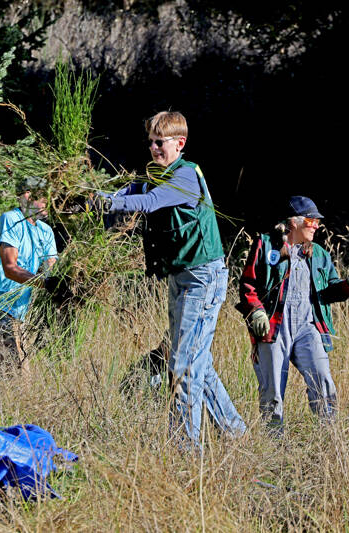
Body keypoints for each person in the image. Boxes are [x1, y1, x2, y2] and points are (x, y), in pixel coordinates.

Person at [91, 110, 246, 447]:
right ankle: (236, 434)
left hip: (201, 278)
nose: (153, 148)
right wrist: (95, 196)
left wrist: (106, 204)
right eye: (150, 142)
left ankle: (187, 452)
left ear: (180, 142)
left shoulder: (185, 177)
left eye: (159, 142)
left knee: (182, 367)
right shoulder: (157, 174)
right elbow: (131, 190)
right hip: (182, 278)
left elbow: (148, 202)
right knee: (195, 362)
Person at [236, 196, 349, 432]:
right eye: (311, 220)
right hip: (274, 328)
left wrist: (347, 286)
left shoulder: (319, 254)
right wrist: (256, 312)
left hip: (308, 328)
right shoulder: (265, 245)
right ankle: (273, 447)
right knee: (272, 391)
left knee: (322, 379)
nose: (316, 225)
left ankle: (329, 437)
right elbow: (247, 286)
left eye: (317, 221)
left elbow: (327, 291)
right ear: (293, 222)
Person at [0, 177, 59, 373]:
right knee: (10, 374)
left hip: (17, 311)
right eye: (43, 197)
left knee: (20, 376)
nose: (48, 202)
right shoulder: (11, 220)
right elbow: (10, 268)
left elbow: (53, 270)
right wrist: (46, 284)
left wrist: (65, 284)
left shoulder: (46, 231)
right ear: (27, 196)